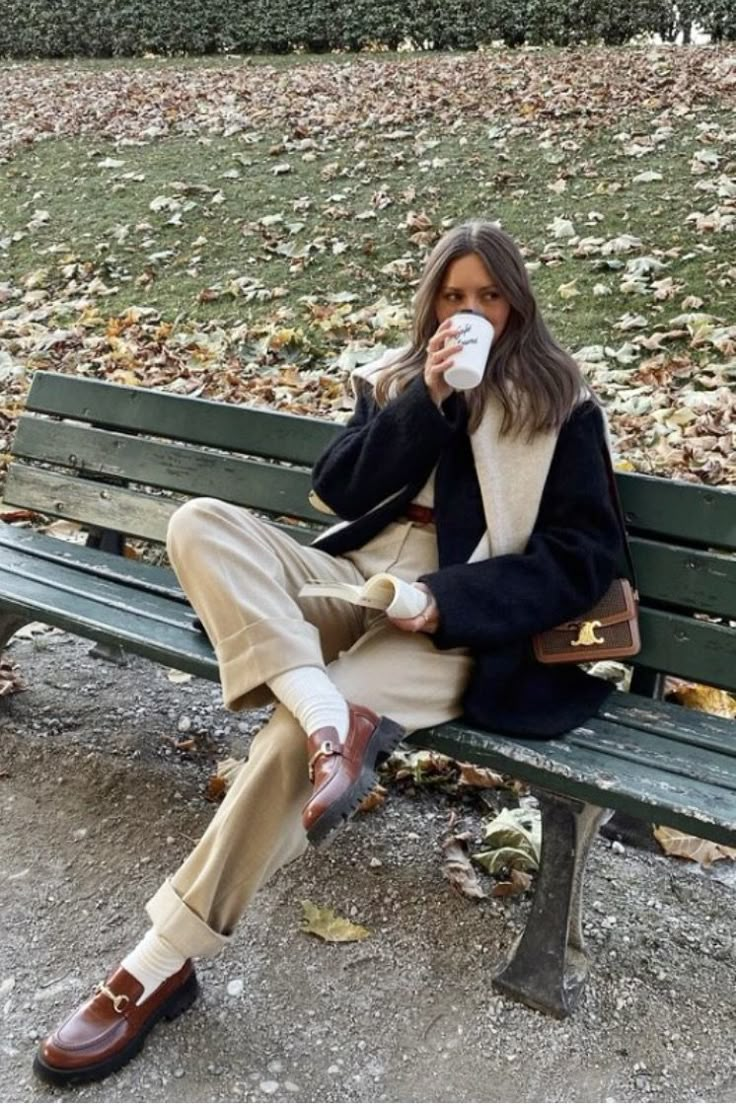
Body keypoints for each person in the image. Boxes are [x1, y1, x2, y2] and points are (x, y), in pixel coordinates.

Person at [33, 220, 624, 1086]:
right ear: (432, 304)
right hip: (346, 578)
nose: (470, 312)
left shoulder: (560, 400)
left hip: (451, 619)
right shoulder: (394, 375)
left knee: (280, 748)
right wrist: (424, 400)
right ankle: (322, 709)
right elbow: (338, 488)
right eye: (453, 297)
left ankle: (156, 964)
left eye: (487, 296)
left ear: (516, 302)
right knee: (200, 522)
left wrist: (442, 603)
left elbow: (584, 559)